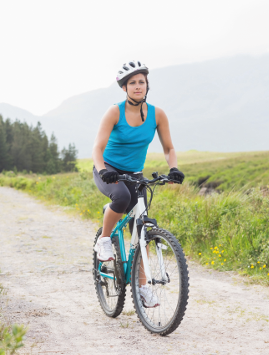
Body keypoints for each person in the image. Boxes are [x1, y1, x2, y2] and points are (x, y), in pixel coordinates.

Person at [92, 60, 184, 307]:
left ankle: (142, 288)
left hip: (135, 172)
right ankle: (104, 239)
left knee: (140, 228)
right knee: (121, 197)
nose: (137, 86)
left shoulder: (158, 114)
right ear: (124, 88)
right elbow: (97, 148)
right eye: (132, 83)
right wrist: (103, 171)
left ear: (147, 85)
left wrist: (173, 168)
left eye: (141, 82)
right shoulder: (114, 112)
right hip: (108, 169)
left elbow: (169, 147)